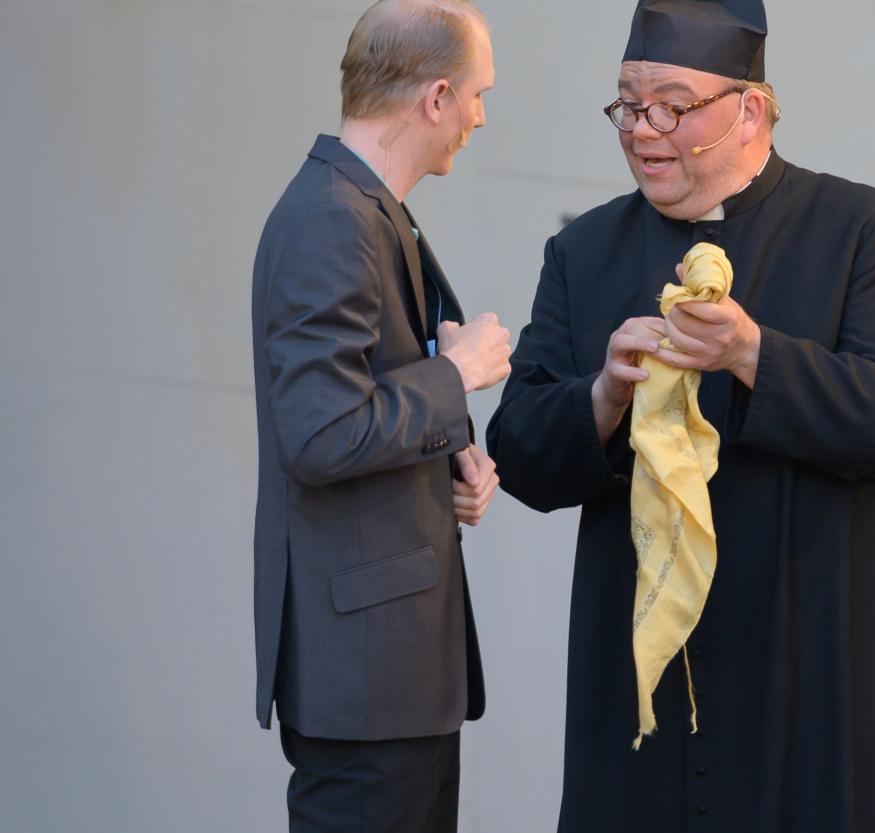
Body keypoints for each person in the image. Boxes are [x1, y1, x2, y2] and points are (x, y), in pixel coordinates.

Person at [486, 1, 875, 831]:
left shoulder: (868, 231)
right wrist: (605, 392)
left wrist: (754, 353)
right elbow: (522, 453)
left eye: (673, 107)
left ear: (750, 108)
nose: (644, 130)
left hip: (826, 643)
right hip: (654, 669)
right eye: (628, 104)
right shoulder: (584, 253)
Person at [250, 2, 508, 830]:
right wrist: (453, 377)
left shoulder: (367, 210)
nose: (478, 116)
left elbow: (362, 404)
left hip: (393, 675)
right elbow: (321, 434)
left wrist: (449, 460)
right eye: (475, 94)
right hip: (363, 682)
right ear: (434, 98)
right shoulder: (332, 219)